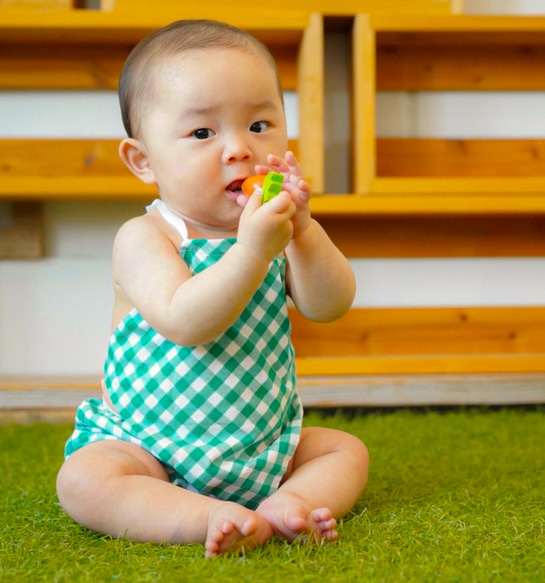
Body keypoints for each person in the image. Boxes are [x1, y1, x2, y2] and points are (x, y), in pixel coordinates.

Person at [56, 19, 368, 558]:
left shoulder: (275, 230)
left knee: (345, 450)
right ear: (144, 160)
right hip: (150, 447)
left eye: (260, 124)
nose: (239, 149)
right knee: (84, 480)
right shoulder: (146, 238)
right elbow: (186, 320)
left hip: (262, 444)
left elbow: (330, 304)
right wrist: (251, 250)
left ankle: (284, 504)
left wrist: (306, 233)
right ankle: (205, 515)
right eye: (203, 133)